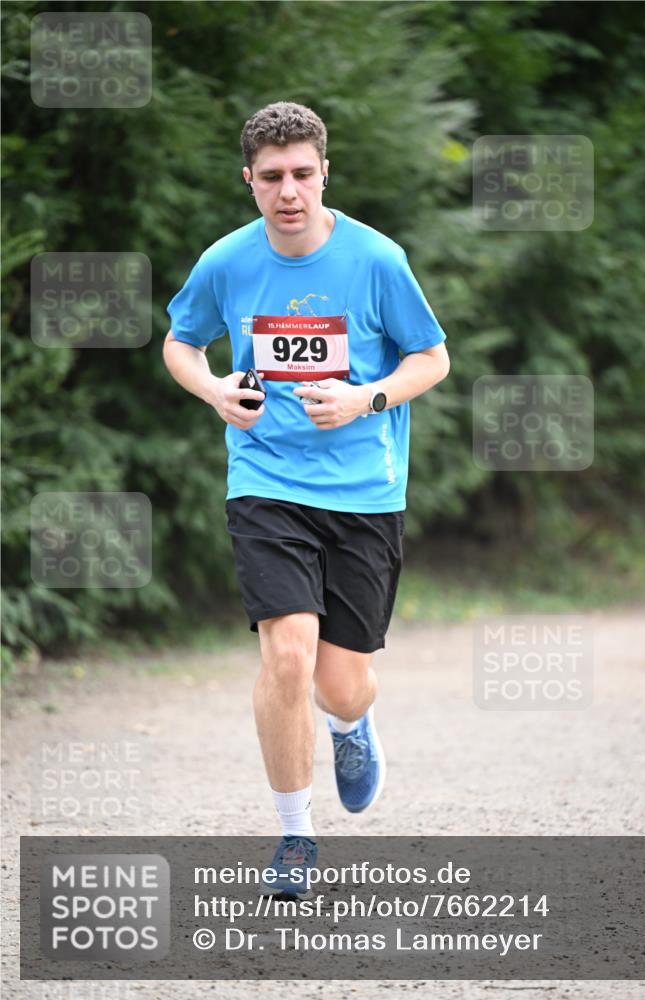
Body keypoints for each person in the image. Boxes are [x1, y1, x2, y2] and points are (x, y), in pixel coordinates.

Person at [163, 101, 449, 897]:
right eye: (270, 178)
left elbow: (431, 358)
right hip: (265, 482)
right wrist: (215, 390)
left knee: (338, 681)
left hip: (362, 490)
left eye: (300, 174)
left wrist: (367, 399)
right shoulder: (226, 261)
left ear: (324, 172)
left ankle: (351, 726)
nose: (287, 191)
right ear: (248, 181)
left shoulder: (376, 259)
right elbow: (179, 341)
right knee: (286, 655)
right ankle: (295, 834)